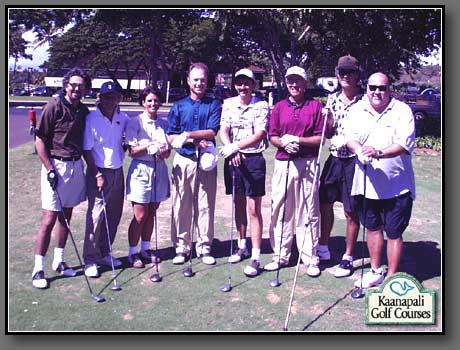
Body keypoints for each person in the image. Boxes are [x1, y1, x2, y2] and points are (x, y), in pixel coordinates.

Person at [345, 72, 416, 288]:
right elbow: (350, 138)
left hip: (397, 185)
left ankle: (392, 278)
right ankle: (376, 271)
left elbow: (403, 145)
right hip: (367, 184)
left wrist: (378, 153)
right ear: (366, 88)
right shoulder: (357, 110)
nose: (377, 91)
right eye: (372, 87)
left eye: (382, 88)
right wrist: (359, 150)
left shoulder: (402, 111)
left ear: (389, 90)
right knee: (373, 227)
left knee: (394, 231)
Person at [265, 66, 331, 277]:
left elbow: (320, 138)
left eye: (298, 81)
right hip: (284, 163)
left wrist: (298, 141)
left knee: (308, 210)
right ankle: (281, 255)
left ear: (305, 83)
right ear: (286, 83)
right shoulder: (279, 107)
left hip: (308, 163)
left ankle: (310, 257)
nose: (294, 85)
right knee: (282, 209)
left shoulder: (314, 107)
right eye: (290, 81)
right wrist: (284, 144)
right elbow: (273, 135)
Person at [31, 67, 91, 289]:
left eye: (81, 85)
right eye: (73, 84)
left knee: (66, 217)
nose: (76, 88)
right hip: (56, 165)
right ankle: (38, 269)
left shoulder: (83, 111)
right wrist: (49, 169)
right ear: (66, 85)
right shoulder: (53, 106)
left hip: (75, 166)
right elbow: (40, 141)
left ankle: (59, 261)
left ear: (85, 89)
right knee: (49, 219)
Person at [167, 62, 222, 266]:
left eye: (202, 79)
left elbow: (212, 131)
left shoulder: (214, 104)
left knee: (205, 205)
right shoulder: (179, 105)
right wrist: (191, 140)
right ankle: (182, 247)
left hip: (206, 161)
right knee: (181, 205)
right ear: (188, 81)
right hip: (184, 160)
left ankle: (204, 247)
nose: (199, 83)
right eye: (195, 79)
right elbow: (172, 137)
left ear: (207, 81)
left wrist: (188, 134)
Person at [218, 68, 269, 277]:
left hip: (253, 159)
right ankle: (242, 245)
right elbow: (223, 129)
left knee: (253, 208)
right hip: (234, 158)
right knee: (238, 203)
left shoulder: (262, 105)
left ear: (253, 85)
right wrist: (230, 149)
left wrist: (235, 146)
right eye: (239, 83)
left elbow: (260, 134)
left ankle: (256, 255)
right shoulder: (229, 104)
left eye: (247, 83)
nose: (242, 87)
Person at [317, 55, 364, 278]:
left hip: (354, 162)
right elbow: (327, 133)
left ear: (357, 75)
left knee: (350, 210)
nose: (345, 76)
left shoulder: (365, 101)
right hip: (334, 158)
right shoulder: (332, 99)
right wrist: (326, 121)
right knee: (324, 201)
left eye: (350, 72)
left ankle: (347, 256)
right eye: (341, 72)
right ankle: (323, 247)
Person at [82, 81, 130, 278]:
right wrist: (97, 174)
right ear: (99, 98)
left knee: (113, 214)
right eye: (107, 96)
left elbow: (128, 140)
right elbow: (86, 150)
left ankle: (104, 252)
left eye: (115, 96)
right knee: (96, 215)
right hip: (99, 171)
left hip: (118, 170)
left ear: (119, 98)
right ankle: (90, 259)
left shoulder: (123, 118)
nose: (111, 100)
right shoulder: (92, 118)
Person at [125, 87, 170, 268]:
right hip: (141, 170)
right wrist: (149, 145)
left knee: (152, 212)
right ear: (143, 102)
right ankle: (132, 252)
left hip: (159, 168)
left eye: (156, 100)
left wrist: (163, 150)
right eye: (149, 100)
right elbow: (133, 151)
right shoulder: (134, 122)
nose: (153, 104)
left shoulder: (164, 124)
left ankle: (145, 249)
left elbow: (167, 154)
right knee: (140, 215)